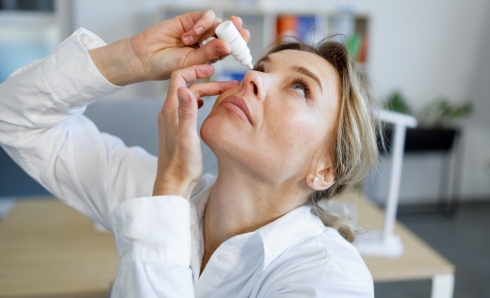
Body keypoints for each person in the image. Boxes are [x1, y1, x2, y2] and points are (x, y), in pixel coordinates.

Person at [0, 9, 377, 298]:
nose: (253, 78)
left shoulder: (331, 280)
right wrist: (132, 59)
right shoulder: (161, 192)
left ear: (325, 169)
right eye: (260, 67)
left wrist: (173, 184)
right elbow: (16, 118)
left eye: (299, 88)